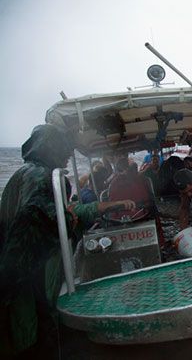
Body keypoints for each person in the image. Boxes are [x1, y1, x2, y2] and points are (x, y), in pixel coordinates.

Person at [0, 124, 135, 357]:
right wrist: (68, 217)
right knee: (34, 327)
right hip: (32, 269)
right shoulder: (42, 177)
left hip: (16, 269)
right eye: (64, 149)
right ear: (50, 148)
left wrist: (100, 208)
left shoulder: (21, 175)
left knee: (22, 324)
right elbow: (41, 219)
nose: (67, 155)